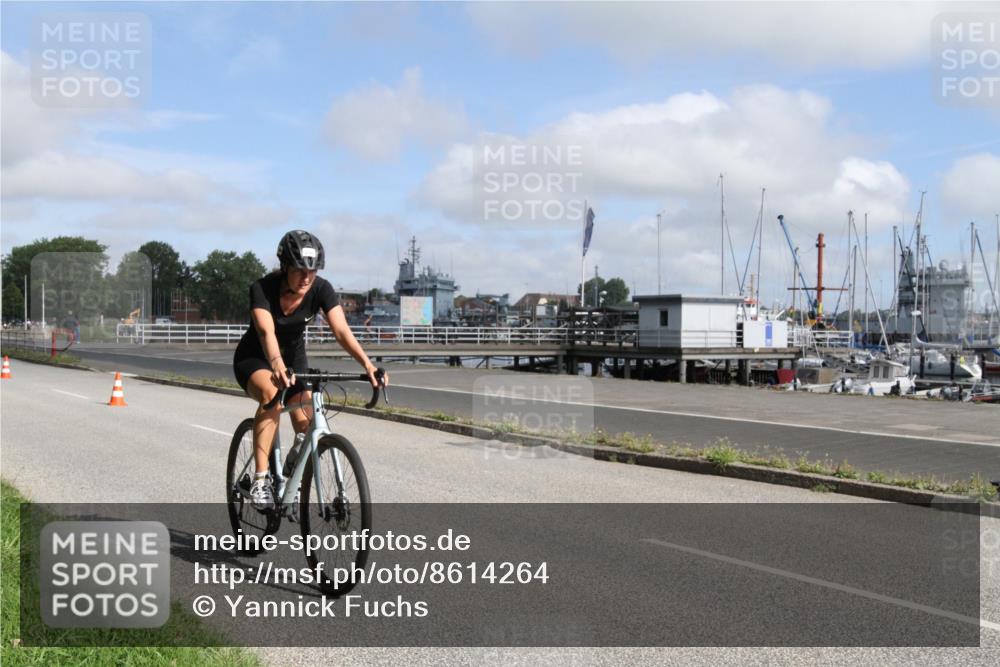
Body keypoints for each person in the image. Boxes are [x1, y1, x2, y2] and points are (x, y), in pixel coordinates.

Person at [232, 230, 389, 510]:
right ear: (284, 268)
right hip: (256, 359)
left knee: (306, 420)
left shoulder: (321, 289)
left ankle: (294, 467)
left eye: (312, 271)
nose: (307, 278)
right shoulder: (262, 288)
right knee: (271, 393)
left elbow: (341, 331)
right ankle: (259, 479)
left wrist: (368, 366)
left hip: (294, 361)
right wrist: (277, 365)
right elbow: (266, 332)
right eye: (299, 270)